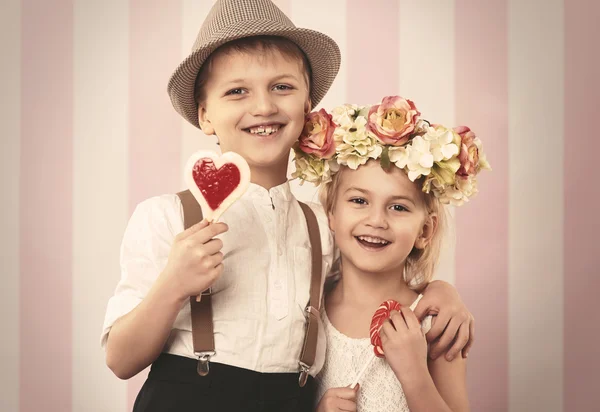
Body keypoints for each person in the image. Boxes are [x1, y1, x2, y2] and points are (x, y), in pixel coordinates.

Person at [101, 1, 475, 410]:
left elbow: (367, 284)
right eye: (237, 91)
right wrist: (172, 286)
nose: (263, 106)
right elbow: (120, 360)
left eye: (281, 87)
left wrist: (441, 290)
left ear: (307, 105)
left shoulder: (321, 225)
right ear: (205, 116)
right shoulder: (165, 217)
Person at [290, 97, 490, 411]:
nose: (376, 220)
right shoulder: (309, 306)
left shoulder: (435, 323)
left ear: (424, 231)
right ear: (331, 212)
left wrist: (414, 373)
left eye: (398, 207)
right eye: (358, 201)